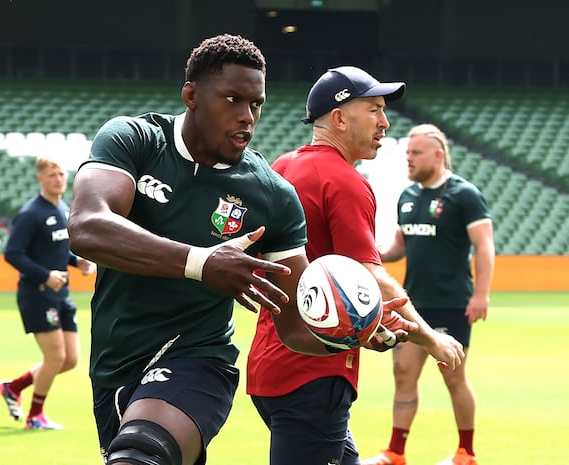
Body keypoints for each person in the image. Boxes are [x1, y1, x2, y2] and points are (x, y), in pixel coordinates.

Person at [67, 35, 418, 465]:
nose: (246, 117)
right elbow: (87, 227)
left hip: (197, 358)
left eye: (256, 104)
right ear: (191, 95)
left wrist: (352, 334)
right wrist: (202, 263)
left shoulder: (272, 196)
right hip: (114, 362)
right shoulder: (136, 140)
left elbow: (292, 326)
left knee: (140, 455)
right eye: (232, 99)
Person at [246, 66, 466, 465]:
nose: (384, 122)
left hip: (269, 364)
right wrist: (431, 337)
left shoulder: (281, 167)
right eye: (375, 109)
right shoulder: (343, 180)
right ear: (340, 117)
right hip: (313, 371)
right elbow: (371, 275)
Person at [363, 124, 495, 465]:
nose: (409, 159)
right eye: (407, 153)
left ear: (438, 154)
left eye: (416, 153)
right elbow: (398, 247)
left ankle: (466, 452)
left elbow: (484, 245)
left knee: (453, 377)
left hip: (452, 304)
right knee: (403, 374)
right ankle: (396, 451)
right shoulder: (408, 197)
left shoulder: (464, 195)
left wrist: (481, 294)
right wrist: (369, 255)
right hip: (413, 304)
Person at [0, 154, 96, 430]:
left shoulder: (63, 209)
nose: (58, 179)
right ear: (40, 177)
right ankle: (34, 416)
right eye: (52, 174)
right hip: (37, 294)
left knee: (70, 360)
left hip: (60, 294)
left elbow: (55, 250)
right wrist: (45, 276)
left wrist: (77, 262)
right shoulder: (31, 213)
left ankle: (12, 387)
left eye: (61, 174)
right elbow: (13, 254)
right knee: (55, 357)